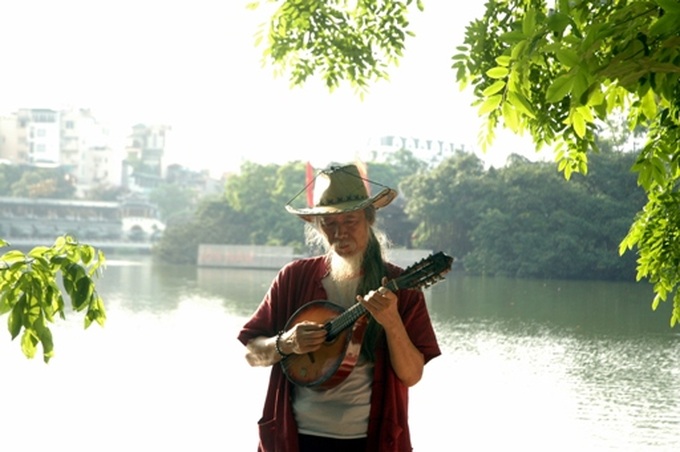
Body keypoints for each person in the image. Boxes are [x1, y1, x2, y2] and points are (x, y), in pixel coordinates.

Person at [237, 164, 441, 452]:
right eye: (330, 224)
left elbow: (412, 376)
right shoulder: (294, 278)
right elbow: (252, 355)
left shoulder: (401, 288)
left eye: (350, 221)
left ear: (369, 219)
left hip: (369, 442)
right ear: (318, 226)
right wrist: (286, 343)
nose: (340, 233)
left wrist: (392, 322)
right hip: (294, 439)